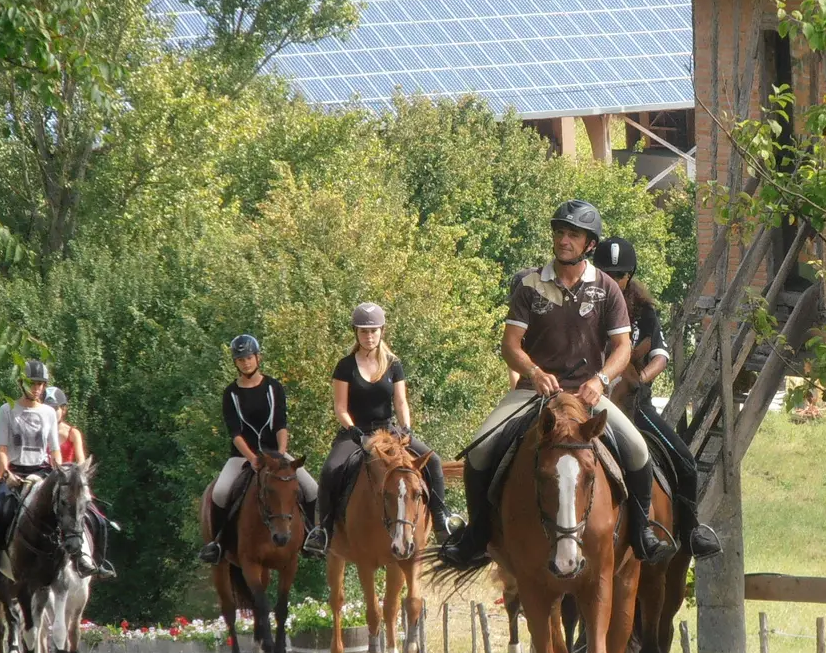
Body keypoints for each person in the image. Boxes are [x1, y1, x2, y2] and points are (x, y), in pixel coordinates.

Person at [441, 199, 671, 569]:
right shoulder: (530, 286)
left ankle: (641, 532)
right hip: (534, 394)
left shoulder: (607, 288)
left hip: (586, 394)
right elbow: (510, 346)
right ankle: (477, 536)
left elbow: (623, 347)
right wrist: (533, 372)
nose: (563, 240)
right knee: (480, 452)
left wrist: (601, 379)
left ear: (589, 245)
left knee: (639, 451)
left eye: (573, 235)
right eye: (559, 232)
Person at [592, 237, 721, 560]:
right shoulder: (583, 305)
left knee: (686, 463)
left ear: (630, 275)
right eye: (606, 273)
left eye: (619, 275)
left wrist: (640, 379)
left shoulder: (644, 311)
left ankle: (690, 533)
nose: (613, 280)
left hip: (634, 404)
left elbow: (660, 354)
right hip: (588, 399)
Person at [304, 303, 452, 554]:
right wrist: (353, 430)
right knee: (330, 469)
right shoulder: (345, 366)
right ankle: (323, 530)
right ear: (356, 333)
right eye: (363, 331)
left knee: (434, 460)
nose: (369, 336)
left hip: (389, 431)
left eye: (373, 331)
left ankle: (441, 519)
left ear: (382, 331)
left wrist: (406, 428)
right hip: (356, 433)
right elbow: (340, 407)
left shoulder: (394, 364)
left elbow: (401, 401)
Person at [198, 335, 320, 564]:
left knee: (312, 488)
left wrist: (281, 453)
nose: (245, 363)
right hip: (243, 456)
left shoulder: (274, 387)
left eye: (249, 358)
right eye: (241, 360)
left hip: (275, 453)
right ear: (236, 362)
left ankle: (312, 536)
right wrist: (253, 458)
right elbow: (235, 433)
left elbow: (281, 424)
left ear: (258, 358)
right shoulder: (231, 393)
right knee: (220, 493)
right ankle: (217, 544)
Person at [0, 360, 63, 601]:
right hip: (16, 474)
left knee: (69, 511)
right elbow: (2, 448)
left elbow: (54, 451)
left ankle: (74, 562)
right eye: (33, 383)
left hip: (42, 474)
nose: (37, 389)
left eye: (41, 384)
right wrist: (6, 471)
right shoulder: (7, 410)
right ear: (22, 383)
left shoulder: (49, 413)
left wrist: (61, 474)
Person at [44, 386, 116, 579]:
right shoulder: (39, 430)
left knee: (98, 520)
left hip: (69, 486)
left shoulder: (72, 433)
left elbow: (81, 463)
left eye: (56, 408)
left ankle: (96, 561)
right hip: (45, 484)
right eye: (48, 407)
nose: (52, 411)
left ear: (64, 409)